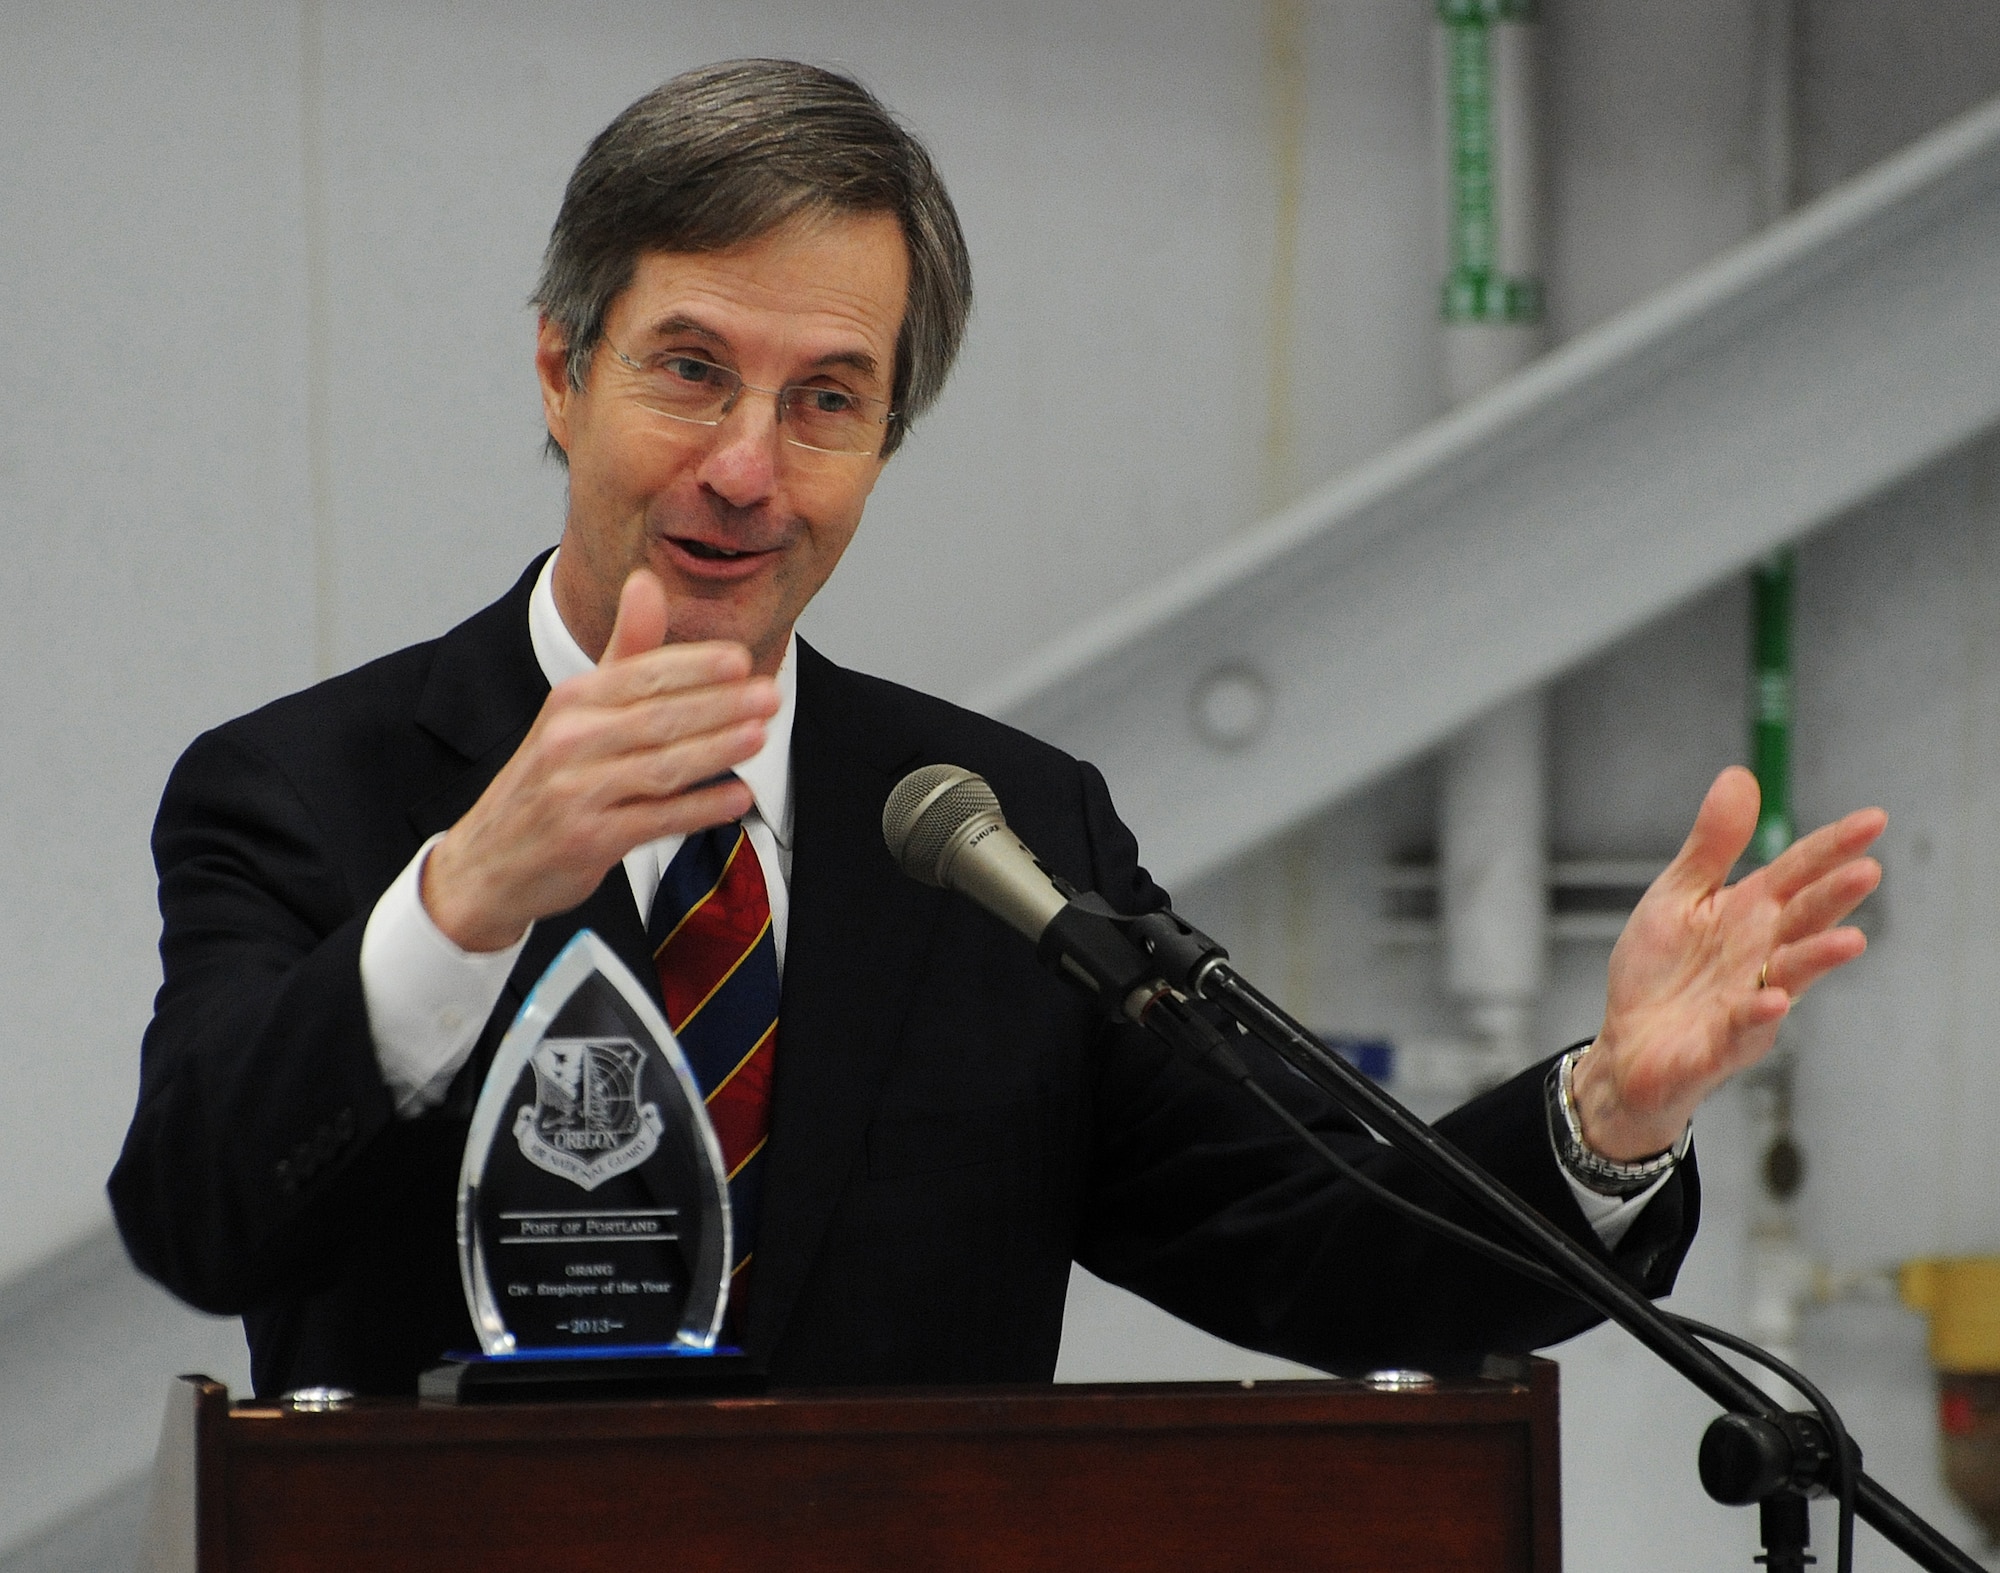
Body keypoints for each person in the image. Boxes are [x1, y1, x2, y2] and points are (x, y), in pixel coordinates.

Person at [109, 60, 1884, 1399]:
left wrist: (1604, 1116)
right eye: (690, 369)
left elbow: (1334, 1257)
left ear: (887, 440)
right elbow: (198, 1213)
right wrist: (469, 896)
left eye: (829, 401)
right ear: (562, 373)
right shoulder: (308, 792)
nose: (748, 467)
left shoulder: (995, 832)